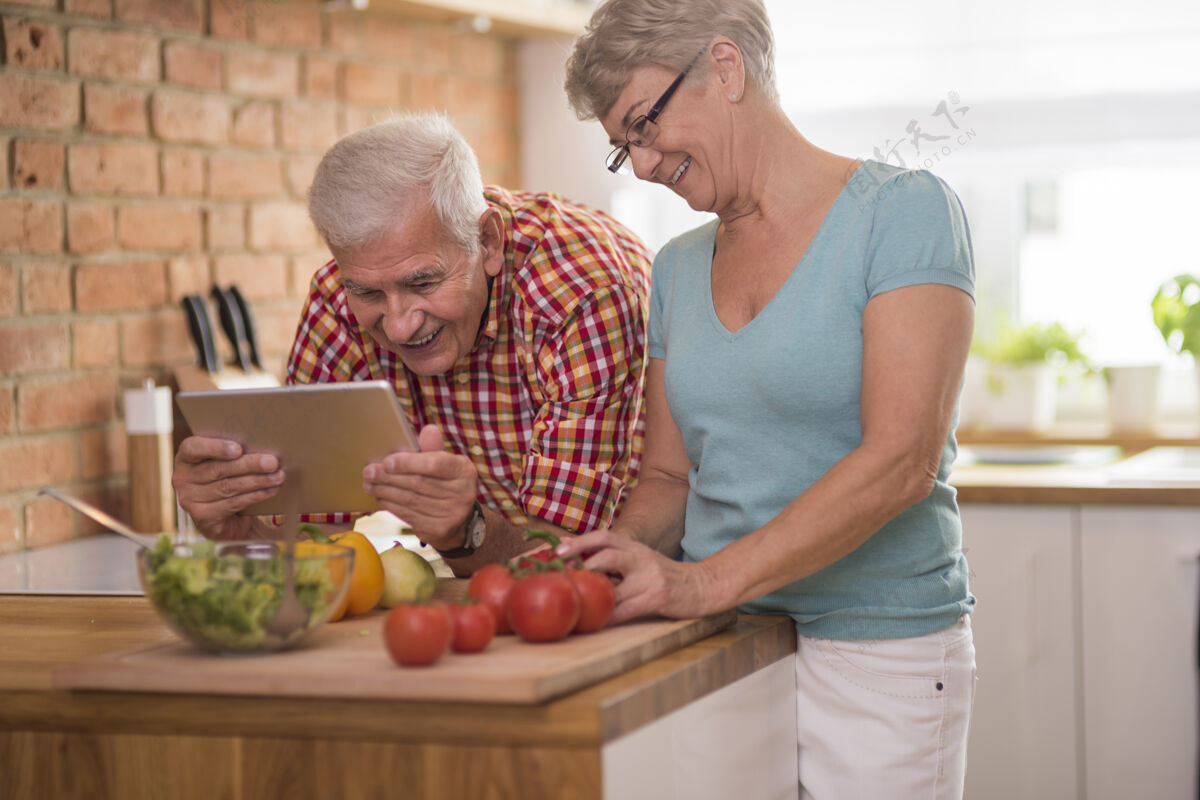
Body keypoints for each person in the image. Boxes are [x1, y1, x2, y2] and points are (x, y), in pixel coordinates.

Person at [558, 1, 977, 797]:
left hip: (877, 646)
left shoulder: (904, 212)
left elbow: (901, 462)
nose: (641, 165)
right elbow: (670, 479)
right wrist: (613, 565)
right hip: (722, 642)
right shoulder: (676, 266)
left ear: (725, 66)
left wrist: (704, 581)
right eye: (622, 148)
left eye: (644, 125)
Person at [173, 113, 653, 574]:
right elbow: (309, 543)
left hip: (659, 556)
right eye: (367, 291)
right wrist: (237, 529)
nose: (400, 327)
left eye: (422, 283)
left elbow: (564, 558)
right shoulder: (336, 304)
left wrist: (465, 532)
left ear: (488, 242)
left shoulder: (579, 294)